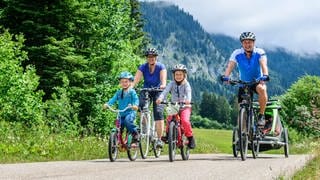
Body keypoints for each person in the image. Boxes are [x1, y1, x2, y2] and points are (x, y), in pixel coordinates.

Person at [221, 32, 269, 127]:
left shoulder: (259, 52)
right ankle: (243, 138)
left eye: (250, 42)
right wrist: (226, 77)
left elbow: (264, 65)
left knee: (262, 89)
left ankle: (261, 115)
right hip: (243, 83)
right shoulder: (237, 53)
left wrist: (265, 75)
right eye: (245, 42)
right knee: (241, 115)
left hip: (256, 82)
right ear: (242, 44)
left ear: (254, 43)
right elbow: (230, 66)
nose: (247, 44)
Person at [132, 48, 167, 148]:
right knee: (140, 107)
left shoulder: (161, 66)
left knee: (158, 114)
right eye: (149, 57)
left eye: (153, 57)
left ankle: (159, 139)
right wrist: (132, 86)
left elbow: (163, 79)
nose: (151, 58)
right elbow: (136, 79)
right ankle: (145, 128)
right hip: (146, 89)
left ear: (156, 57)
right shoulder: (143, 67)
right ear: (147, 58)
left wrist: (163, 85)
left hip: (158, 91)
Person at [156, 64, 195, 149]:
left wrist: (188, 100)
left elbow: (188, 93)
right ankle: (167, 135)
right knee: (169, 119)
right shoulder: (171, 83)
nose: (178, 76)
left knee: (185, 121)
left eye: (180, 74)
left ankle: (190, 137)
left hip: (185, 106)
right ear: (174, 75)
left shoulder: (186, 84)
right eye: (176, 74)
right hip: (174, 105)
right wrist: (160, 98)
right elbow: (165, 91)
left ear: (184, 75)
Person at [103, 71, 140, 142]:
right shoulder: (119, 93)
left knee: (127, 121)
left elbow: (136, 99)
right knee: (118, 125)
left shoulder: (132, 92)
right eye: (122, 82)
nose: (124, 83)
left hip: (130, 112)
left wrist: (135, 105)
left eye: (126, 82)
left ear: (130, 82)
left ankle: (135, 133)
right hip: (121, 113)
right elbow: (113, 99)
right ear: (120, 83)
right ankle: (115, 143)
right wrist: (107, 104)